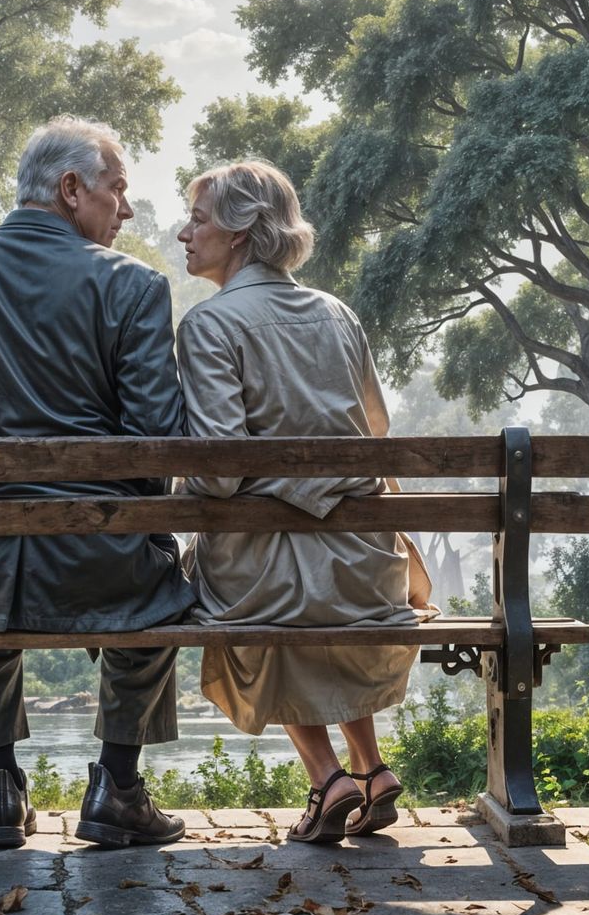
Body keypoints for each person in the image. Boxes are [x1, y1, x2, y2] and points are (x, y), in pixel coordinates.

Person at [0, 116, 194, 850]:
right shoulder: (135, 286)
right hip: (103, 567)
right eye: (118, 190)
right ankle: (118, 783)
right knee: (163, 586)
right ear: (70, 188)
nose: (128, 209)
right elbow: (155, 439)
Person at [174, 160, 434, 844]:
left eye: (197, 219)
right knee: (305, 574)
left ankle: (328, 779)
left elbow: (220, 474)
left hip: (266, 584)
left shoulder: (209, 325)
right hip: (368, 570)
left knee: (253, 587)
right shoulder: (337, 313)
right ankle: (373, 770)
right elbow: (375, 432)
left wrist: (182, 490)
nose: (182, 233)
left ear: (237, 234)